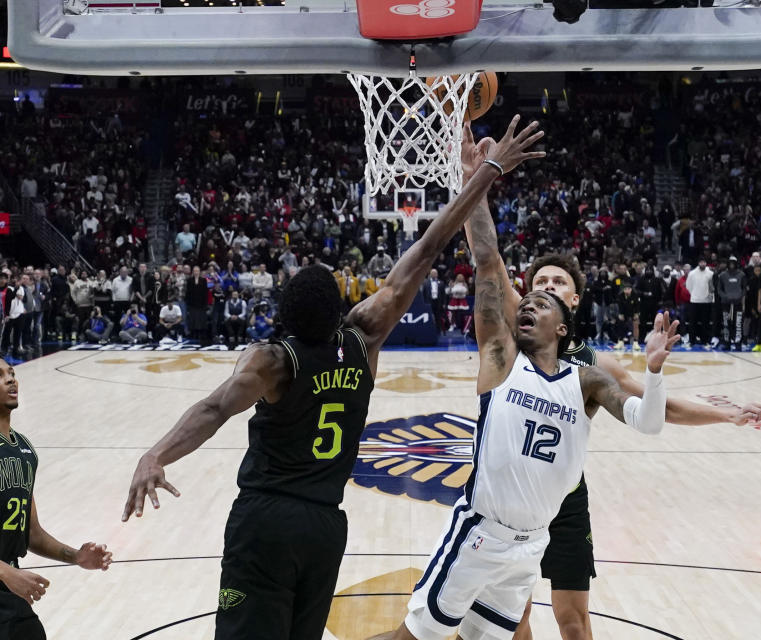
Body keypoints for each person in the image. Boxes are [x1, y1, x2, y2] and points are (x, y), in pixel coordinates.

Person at [120, 115, 546, 640]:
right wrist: (486, 173)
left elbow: (214, 409)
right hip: (325, 524)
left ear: (284, 314)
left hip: (266, 518)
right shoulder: (363, 338)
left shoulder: (272, 361)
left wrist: (155, 455)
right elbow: (431, 246)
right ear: (342, 307)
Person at [459, 162, 761, 640]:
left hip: (563, 502)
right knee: (512, 620)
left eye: (558, 282)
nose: (547, 286)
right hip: (507, 497)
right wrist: (474, 179)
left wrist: (726, 413)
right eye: (539, 281)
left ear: (576, 301)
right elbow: (487, 256)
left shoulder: (593, 366)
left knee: (574, 620)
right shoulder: (513, 334)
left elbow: (658, 408)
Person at [374, 204, 677, 640]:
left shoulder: (588, 380)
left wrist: (653, 371)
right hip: (480, 535)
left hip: (530, 547)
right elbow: (486, 259)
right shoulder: (501, 358)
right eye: (527, 301)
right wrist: (475, 182)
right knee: (416, 636)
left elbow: (649, 424)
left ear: (563, 329)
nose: (528, 306)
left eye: (542, 304)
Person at [0, 360, 112, 640]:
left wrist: (75, 556)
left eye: (12, 373)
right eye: (0, 376)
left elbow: (31, 532)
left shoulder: (24, 448)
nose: (10, 379)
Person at [717, 256, 746, 351]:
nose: (732, 265)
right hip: (726, 302)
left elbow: (744, 289)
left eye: (733, 263)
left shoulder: (741, 275)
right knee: (726, 323)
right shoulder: (722, 275)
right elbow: (719, 289)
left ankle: (738, 343)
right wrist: (725, 296)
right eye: (730, 263)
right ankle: (727, 342)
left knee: (738, 324)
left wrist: (740, 296)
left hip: (737, 303)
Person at [685, 258, 714, 347]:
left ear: (706, 263)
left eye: (704, 262)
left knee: (705, 322)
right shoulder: (692, 273)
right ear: (698, 263)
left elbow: (712, 287)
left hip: (706, 302)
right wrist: (694, 294)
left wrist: (708, 296)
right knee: (692, 322)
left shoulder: (710, 274)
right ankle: (691, 341)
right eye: (701, 262)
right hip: (694, 301)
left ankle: (705, 341)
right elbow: (688, 286)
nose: (703, 264)